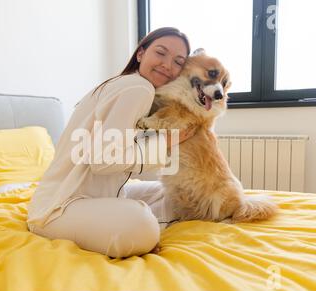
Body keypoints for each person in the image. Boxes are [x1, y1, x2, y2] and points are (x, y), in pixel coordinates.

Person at [27, 27, 196, 258]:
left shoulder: (126, 85)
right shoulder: (139, 88)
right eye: (160, 53)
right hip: (59, 209)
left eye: (178, 62)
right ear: (140, 54)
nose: (167, 65)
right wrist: (163, 142)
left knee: (180, 194)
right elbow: (102, 161)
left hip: (94, 196)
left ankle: (124, 219)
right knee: (141, 226)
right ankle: (135, 223)